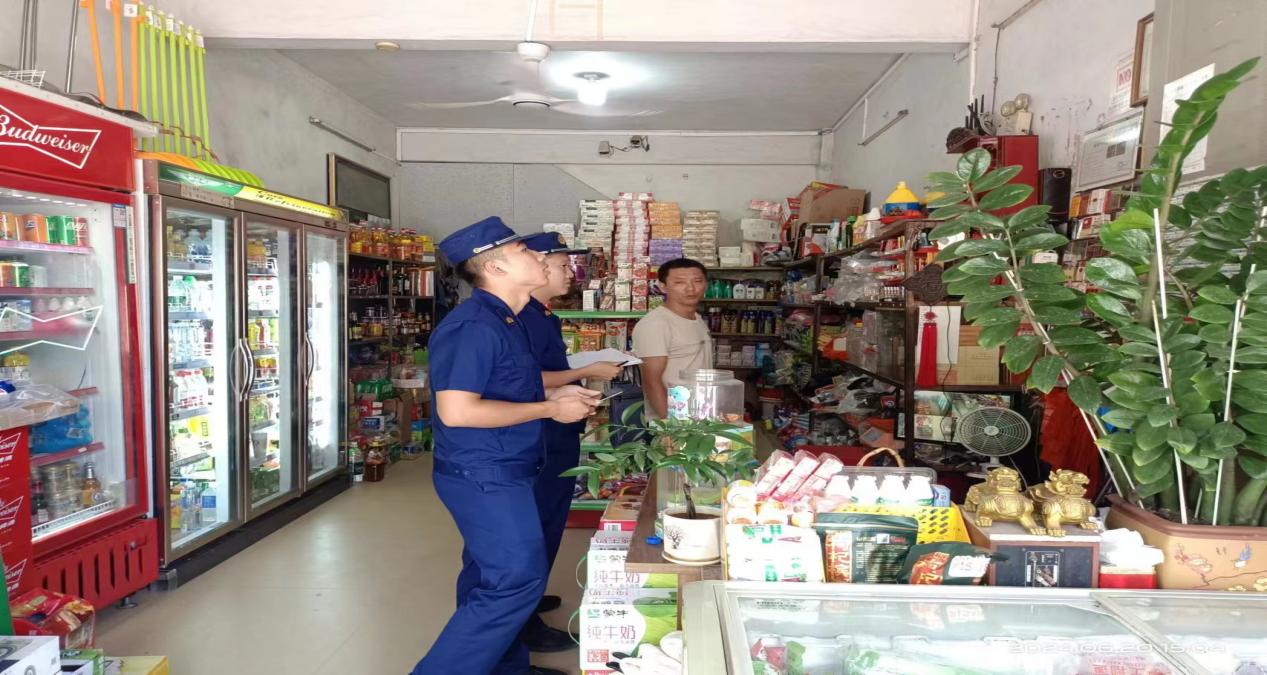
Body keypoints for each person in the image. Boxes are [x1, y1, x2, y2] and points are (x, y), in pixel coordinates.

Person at [414, 217, 599, 675]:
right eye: (525, 251)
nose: (539, 256)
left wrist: (558, 394)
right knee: (514, 582)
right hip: (484, 473)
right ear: (495, 267)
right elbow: (457, 411)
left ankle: (506, 668)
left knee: (496, 577)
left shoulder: (509, 319)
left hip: (512, 465)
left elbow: (509, 387)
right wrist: (549, 409)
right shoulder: (473, 326)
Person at [517, 232, 625, 647]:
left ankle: (530, 598)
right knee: (536, 524)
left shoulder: (542, 314)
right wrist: (586, 372)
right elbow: (528, 378)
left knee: (550, 520)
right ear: (536, 265)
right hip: (542, 434)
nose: (571, 273)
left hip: (559, 430)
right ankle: (524, 623)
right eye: (563, 265)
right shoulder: (521, 316)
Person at [632, 258, 713, 419]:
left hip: (700, 414)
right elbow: (651, 382)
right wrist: (672, 425)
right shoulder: (656, 324)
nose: (690, 288)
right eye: (679, 282)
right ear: (662, 286)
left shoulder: (696, 318)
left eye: (697, 281)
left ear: (706, 284)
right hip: (674, 420)